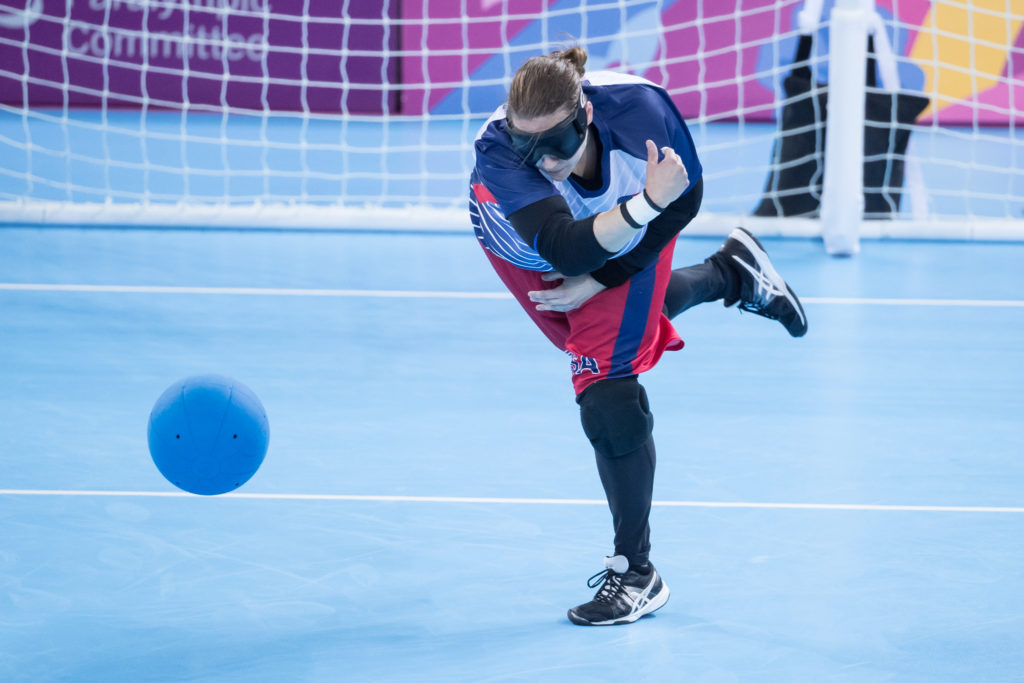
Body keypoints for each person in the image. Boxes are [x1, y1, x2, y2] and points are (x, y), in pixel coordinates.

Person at [469, 46, 807, 627]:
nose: (541, 160)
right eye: (527, 145)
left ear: (586, 118)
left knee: (604, 387)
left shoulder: (641, 114)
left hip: (630, 224)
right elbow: (564, 247)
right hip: (523, 244)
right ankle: (731, 273)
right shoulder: (499, 151)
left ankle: (636, 573)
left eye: (554, 143)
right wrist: (640, 211)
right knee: (604, 330)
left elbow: (685, 201)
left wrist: (613, 263)